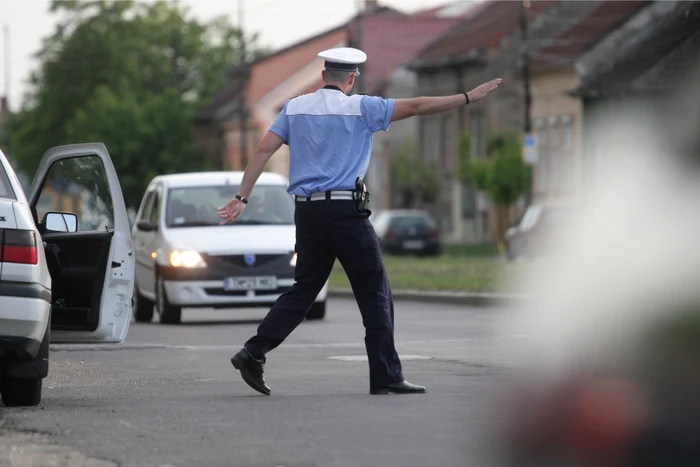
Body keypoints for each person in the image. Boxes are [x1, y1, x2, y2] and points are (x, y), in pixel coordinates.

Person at [218, 47, 502, 396]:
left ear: (323, 77)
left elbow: (263, 151)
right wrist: (467, 97)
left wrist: (241, 198)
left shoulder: (295, 108)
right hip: (345, 214)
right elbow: (417, 106)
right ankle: (385, 375)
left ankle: (253, 351)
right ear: (351, 79)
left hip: (307, 213)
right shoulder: (362, 108)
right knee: (374, 291)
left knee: (304, 290)